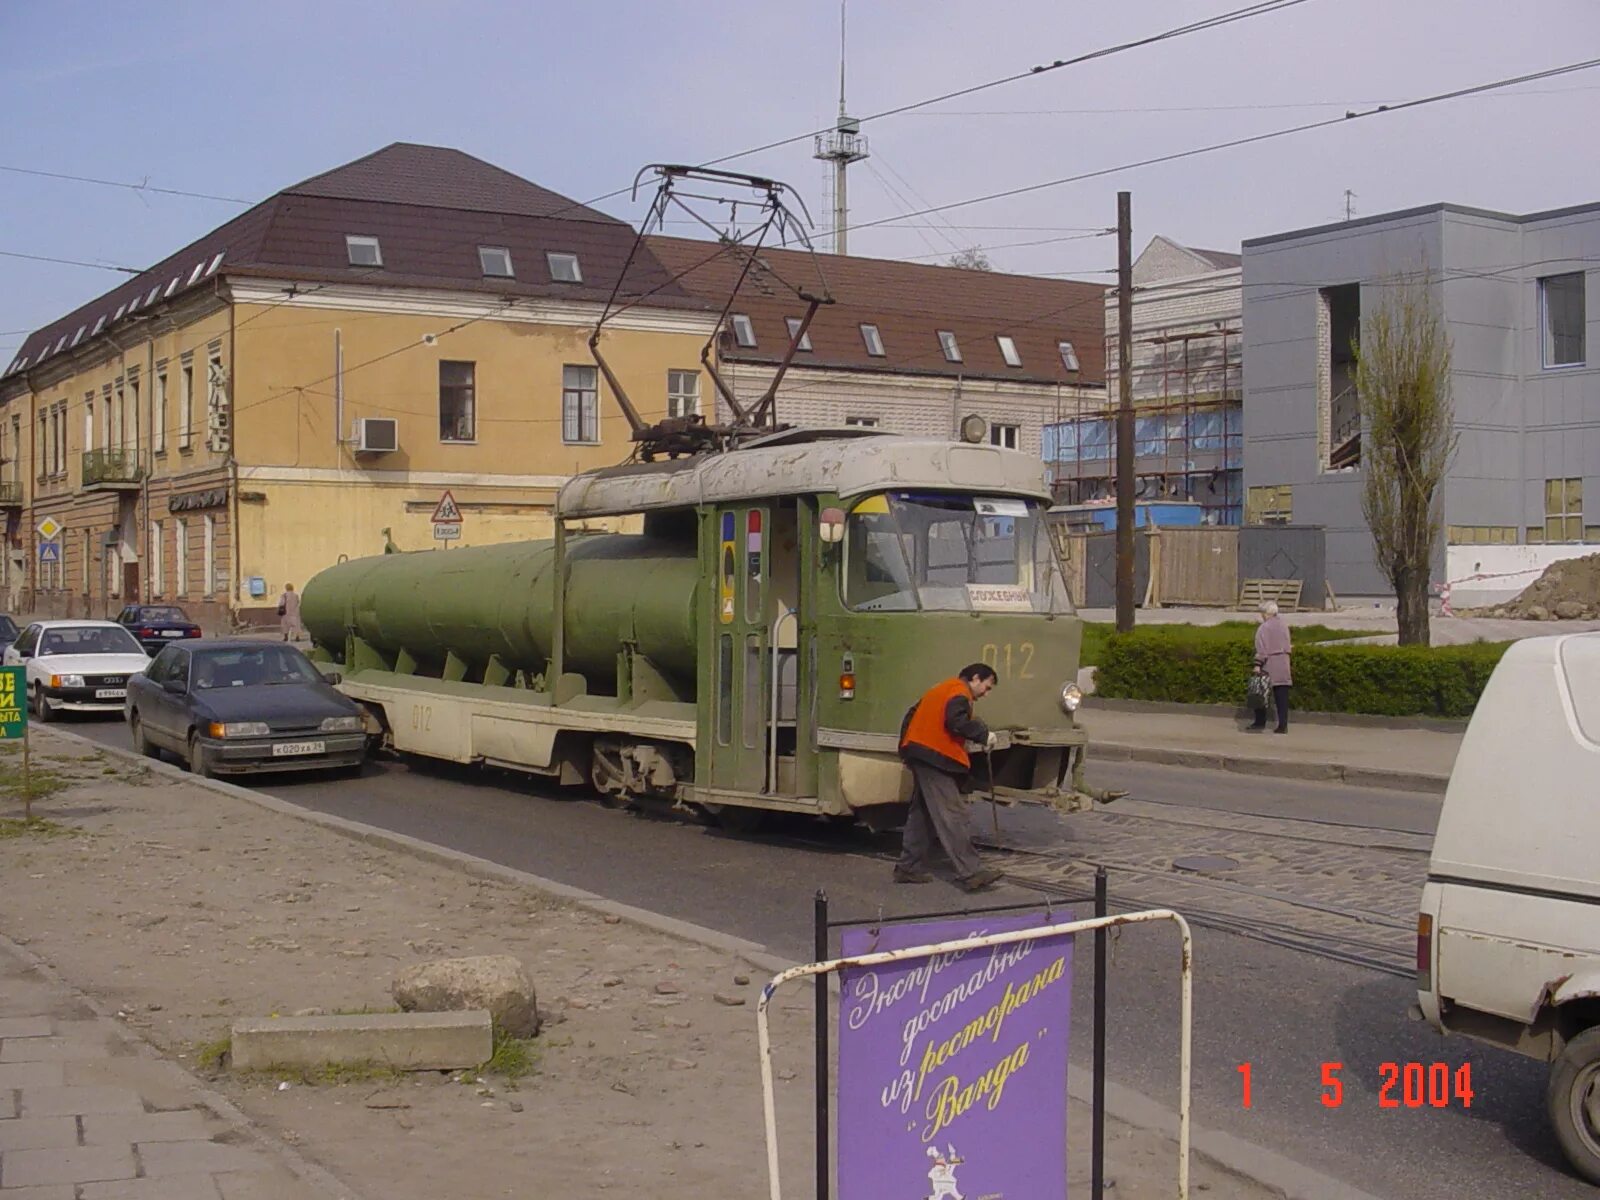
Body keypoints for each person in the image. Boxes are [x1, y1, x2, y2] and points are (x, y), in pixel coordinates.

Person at [895, 663, 1004, 892]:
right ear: (975, 678)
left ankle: (908, 867)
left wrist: (906, 748)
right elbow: (956, 722)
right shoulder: (959, 693)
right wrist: (983, 735)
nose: (986, 692)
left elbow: (911, 714)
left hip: (921, 752)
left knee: (922, 815)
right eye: (987, 686)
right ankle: (971, 872)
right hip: (935, 757)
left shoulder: (942, 689)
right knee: (953, 814)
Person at [1252, 600, 1292, 733]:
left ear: (1266, 613)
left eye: (1262, 613)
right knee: (1282, 697)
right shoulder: (1284, 625)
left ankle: (1259, 722)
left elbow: (1262, 648)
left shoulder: (1264, 628)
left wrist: (1258, 665)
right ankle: (1283, 725)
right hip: (1284, 663)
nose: (1261, 616)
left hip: (1269, 664)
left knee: (1261, 693)